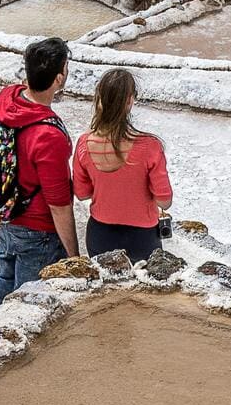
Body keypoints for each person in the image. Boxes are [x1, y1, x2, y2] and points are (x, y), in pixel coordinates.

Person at [0, 36, 79, 311]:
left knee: (3, 282)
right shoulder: (49, 135)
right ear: (60, 78)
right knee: (25, 303)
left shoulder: (6, 98)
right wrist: (73, 255)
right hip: (36, 230)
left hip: (5, 214)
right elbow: (59, 205)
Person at [71, 68, 172, 263]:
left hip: (100, 234)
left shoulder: (84, 143)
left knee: (105, 291)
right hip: (143, 238)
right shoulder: (150, 146)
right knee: (142, 290)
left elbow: (82, 194)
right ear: (129, 100)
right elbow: (164, 201)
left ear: (98, 98)